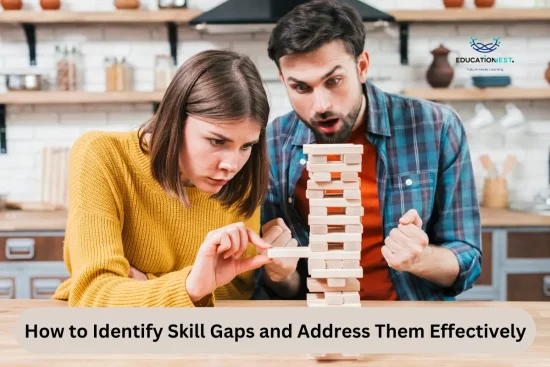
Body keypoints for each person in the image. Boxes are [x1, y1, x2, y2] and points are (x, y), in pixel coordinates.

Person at [254, 0, 482, 301]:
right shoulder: (272, 143)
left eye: (334, 81)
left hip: (411, 324)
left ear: (362, 67)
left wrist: (420, 258)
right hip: (318, 330)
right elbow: (284, 288)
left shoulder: (436, 127)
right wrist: (279, 275)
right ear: (283, 81)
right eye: (301, 88)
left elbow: (468, 259)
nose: (321, 106)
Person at [52, 49, 280, 307]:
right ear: (175, 120)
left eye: (246, 146)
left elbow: (236, 290)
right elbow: (93, 293)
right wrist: (190, 287)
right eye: (216, 141)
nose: (232, 165)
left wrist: (146, 283)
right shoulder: (102, 156)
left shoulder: (242, 179)